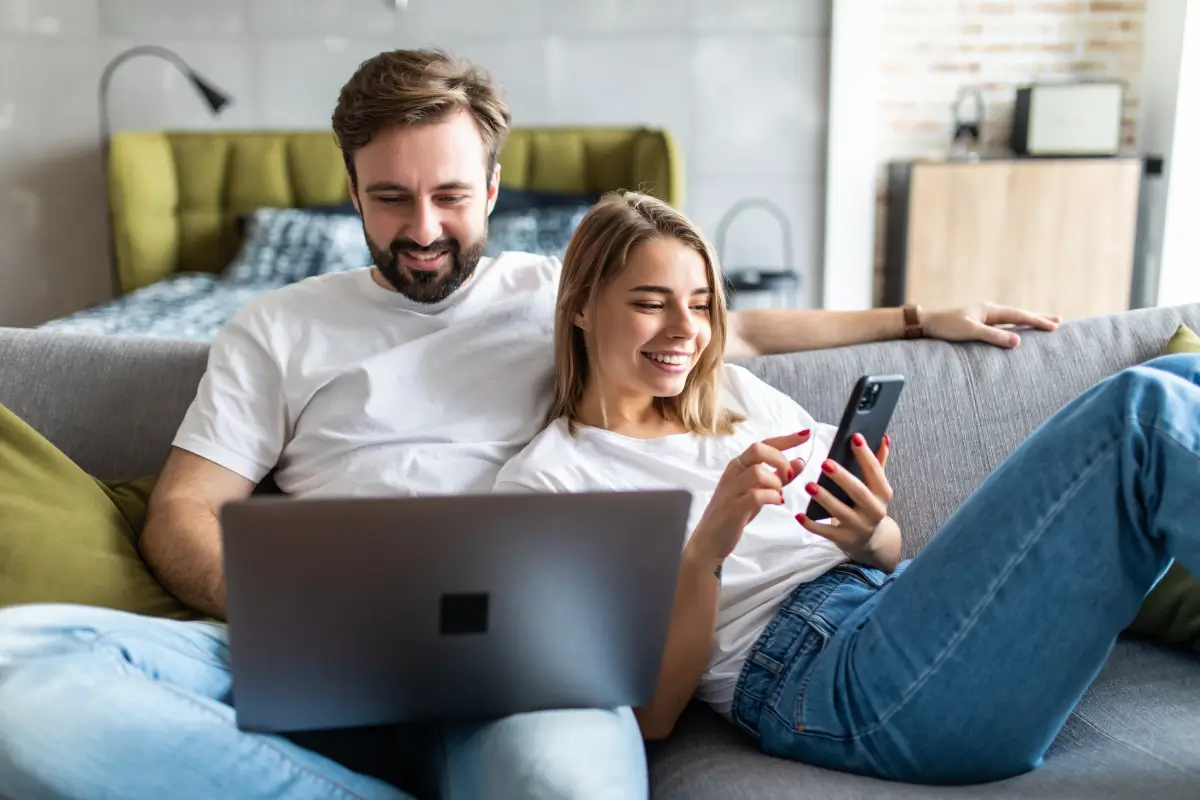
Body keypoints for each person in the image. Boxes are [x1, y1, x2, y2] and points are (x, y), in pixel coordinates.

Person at [0, 49, 1058, 800]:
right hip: (325, 643)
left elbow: (727, 326)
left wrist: (916, 316)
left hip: (530, 659)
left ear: (496, 188)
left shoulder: (557, 290)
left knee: (562, 783)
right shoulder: (275, 328)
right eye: (389, 199)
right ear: (351, 193)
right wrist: (315, 622)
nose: (422, 230)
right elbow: (183, 513)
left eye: (451, 196)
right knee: (17, 665)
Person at [493, 190, 1200, 786]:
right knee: (1142, 413)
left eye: (702, 305)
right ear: (581, 306)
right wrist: (705, 549)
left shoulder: (736, 394)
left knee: (1180, 383)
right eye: (651, 303)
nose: (686, 330)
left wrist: (870, 535)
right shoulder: (551, 481)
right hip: (832, 681)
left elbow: (887, 553)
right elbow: (653, 716)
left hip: (897, 610)